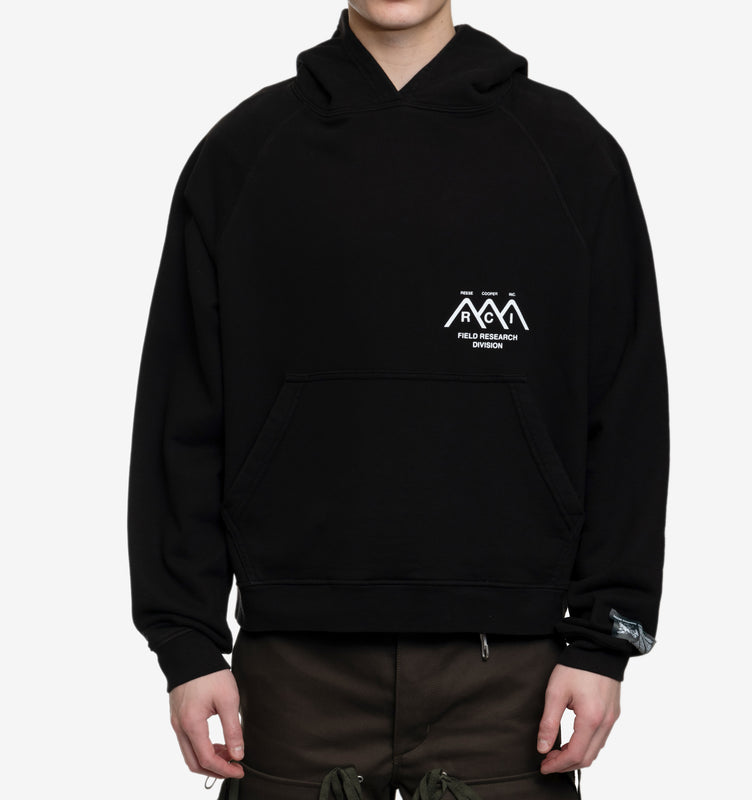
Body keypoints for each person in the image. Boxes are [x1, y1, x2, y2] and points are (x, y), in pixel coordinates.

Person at [126, 2, 670, 799]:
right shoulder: (243, 155)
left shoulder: (570, 153)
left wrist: (604, 641)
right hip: (293, 674)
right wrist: (186, 642)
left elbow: (626, 414)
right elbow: (181, 412)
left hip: (510, 678)